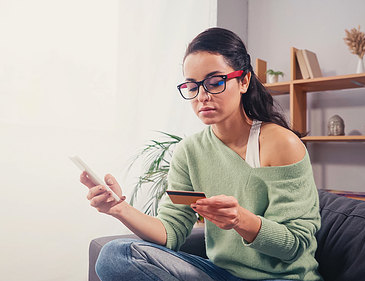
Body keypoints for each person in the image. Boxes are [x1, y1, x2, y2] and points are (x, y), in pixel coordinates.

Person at [80, 27, 323, 281]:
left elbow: (295, 245)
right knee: (114, 255)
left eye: (215, 82)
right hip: (220, 274)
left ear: (244, 80)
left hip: (281, 278)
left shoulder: (281, 143)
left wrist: (241, 220)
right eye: (192, 86)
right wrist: (119, 209)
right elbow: (171, 231)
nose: (202, 96)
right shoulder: (189, 152)